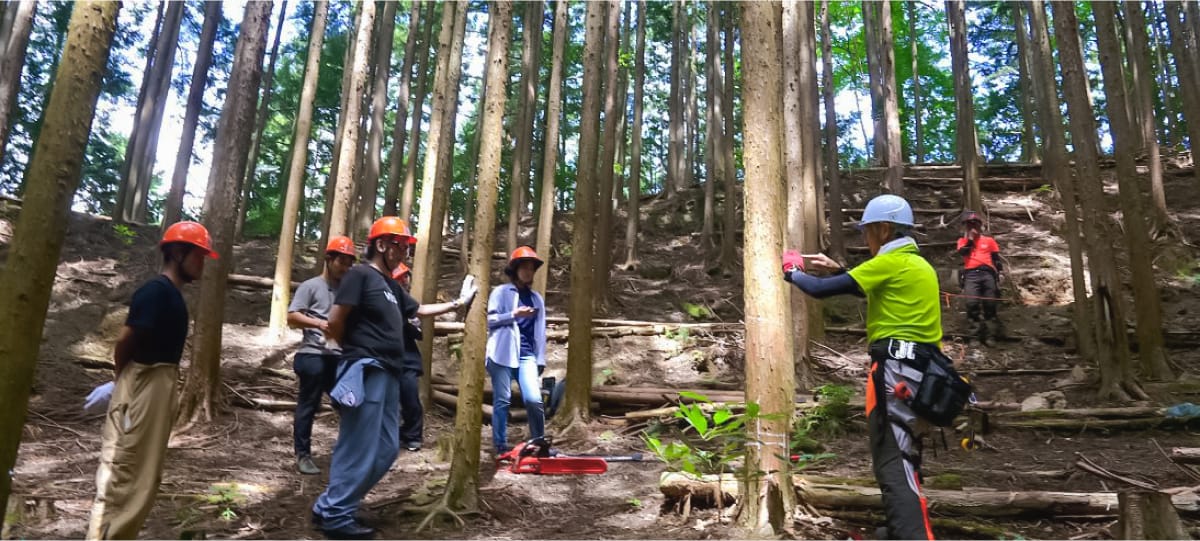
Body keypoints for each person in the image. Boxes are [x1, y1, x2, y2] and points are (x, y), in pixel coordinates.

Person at [782, 195, 940, 540]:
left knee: (893, 463)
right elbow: (866, 286)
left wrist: (792, 271)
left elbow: (820, 291)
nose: (865, 239)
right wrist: (840, 269)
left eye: (867, 231)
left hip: (895, 375)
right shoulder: (916, 264)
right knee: (906, 460)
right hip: (920, 375)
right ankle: (900, 531)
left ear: (884, 229)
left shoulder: (892, 261)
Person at [311, 217, 477, 540]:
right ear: (382, 245)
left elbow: (418, 311)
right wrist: (352, 355)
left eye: (406, 246)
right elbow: (335, 321)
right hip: (366, 368)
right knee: (357, 446)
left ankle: (330, 505)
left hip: (390, 372)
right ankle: (336, 514)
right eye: (400, 245)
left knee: (387, 448)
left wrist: (458, 304)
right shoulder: (360, 275)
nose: (404, 251)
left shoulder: (391, 287)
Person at [84, 221, 217, 540]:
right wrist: (121, 382)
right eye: (197, 255)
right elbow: (126, 341)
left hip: (159, 386)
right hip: (144, 386)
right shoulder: (155, 292)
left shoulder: (172, 296)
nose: (201, 262)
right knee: (124, 475)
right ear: (176, 252)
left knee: (144, 477)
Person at [287, 235, 357, 475]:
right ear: (329, 259)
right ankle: (303, 454)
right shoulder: (310, 286)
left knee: (349, 402)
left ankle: (349, 452)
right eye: (341, 262)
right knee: (310, 400)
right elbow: (292, 316)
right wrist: (319, 324)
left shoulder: (349, 291)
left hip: (338, 356)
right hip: (312, 353)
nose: (345, 268)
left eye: (349, 263)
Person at [485, 246, 548, 455]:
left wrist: (541, 359)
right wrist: (513, 314)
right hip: (501, 354)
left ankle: (539, 442)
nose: (528, 272)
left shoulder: (537, 299)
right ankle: (500, 446)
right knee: (502, 399)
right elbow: (490, 320)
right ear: (515, 269)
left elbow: (540, 331)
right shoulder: (501, 293)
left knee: (534, 399)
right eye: (524, 267)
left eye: (531, 268)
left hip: (527, 355)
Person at [390, 262, 425, 452]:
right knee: (390, 401)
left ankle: (413, 435)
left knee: (410, 398)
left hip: (409, 359)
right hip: (388, 359)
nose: (404, 281)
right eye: (400, 277)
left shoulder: (410, 303)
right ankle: (392, 435)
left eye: (405, 277)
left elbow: (418, 331)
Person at [956, 210, 1004, 344]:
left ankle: (990, 335)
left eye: (975, 223)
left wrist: (1001, 273)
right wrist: (970, 239)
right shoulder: (962, 241)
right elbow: (963, 252)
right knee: (972, 304)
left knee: (990, 304)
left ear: (979, 225)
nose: (972, 226)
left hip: (987, 273)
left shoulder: (989, 241)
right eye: (969, 224)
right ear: (965, 226)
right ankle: (974, 335)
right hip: (971, 275)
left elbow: (996, 259)